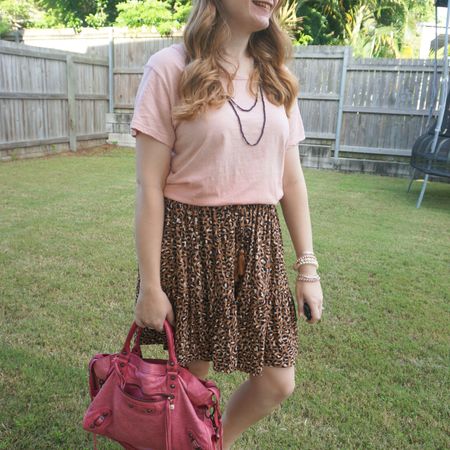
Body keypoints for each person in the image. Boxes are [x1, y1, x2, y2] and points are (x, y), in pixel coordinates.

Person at [131, 0, 324, 448]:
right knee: (185, 386)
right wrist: (150, 286)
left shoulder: (275, 75)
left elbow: (292, 181)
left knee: (278, 380)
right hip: (189, 244)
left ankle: (210, 444)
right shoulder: (170, 68)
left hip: (259, 246)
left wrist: (308, 268)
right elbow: (148, 186)